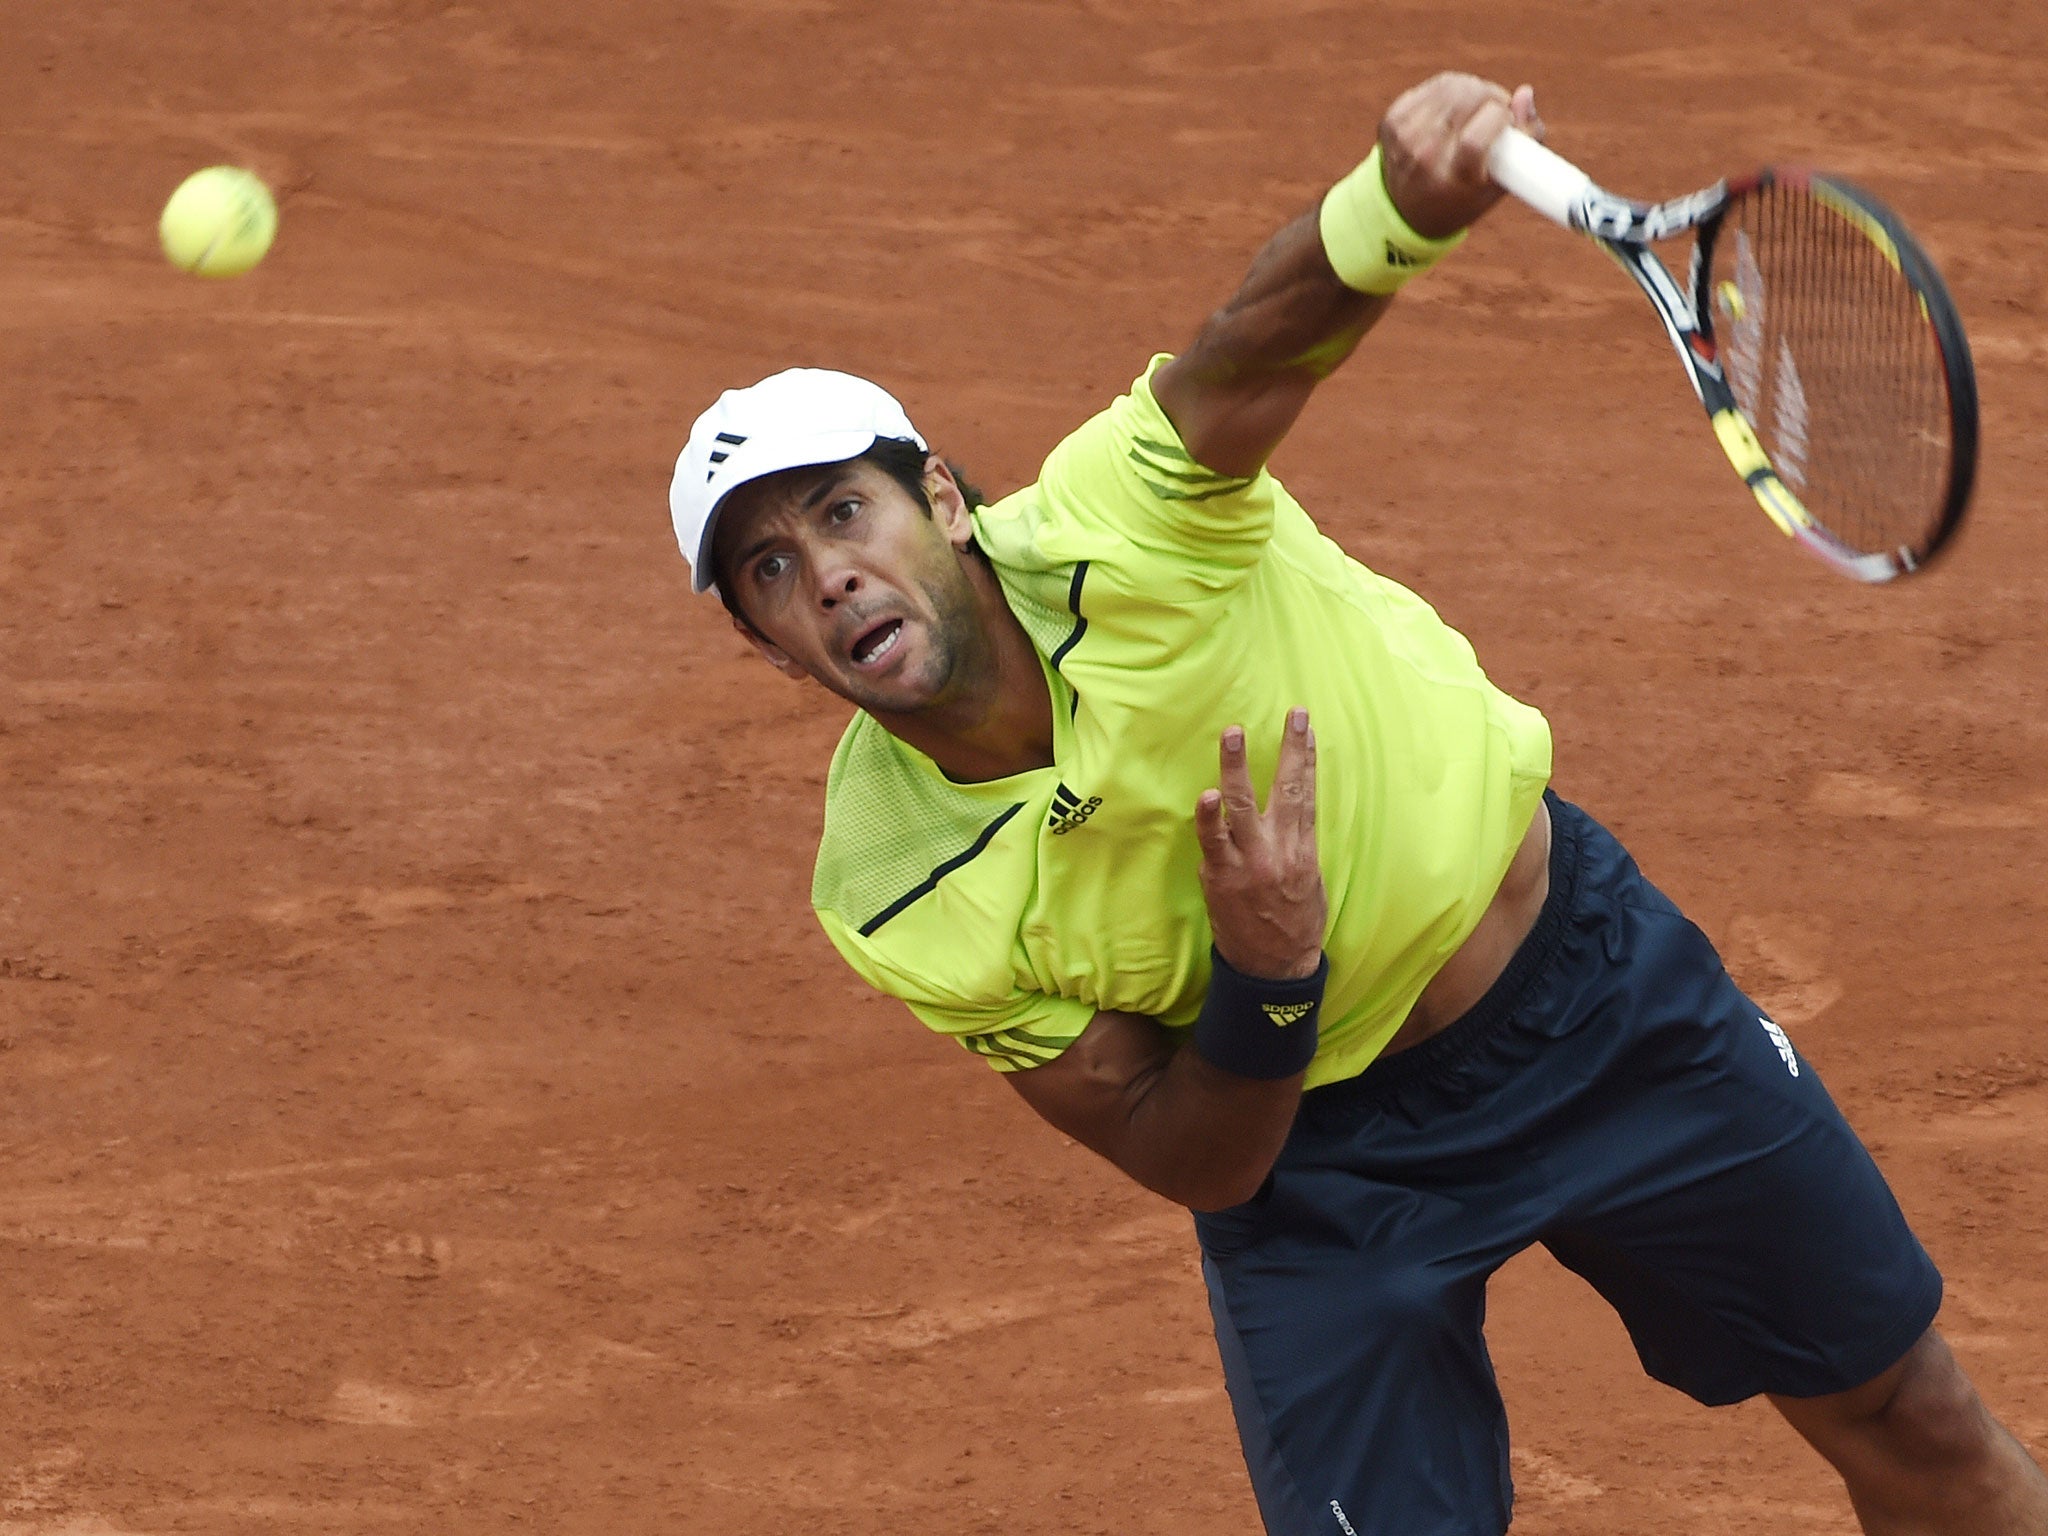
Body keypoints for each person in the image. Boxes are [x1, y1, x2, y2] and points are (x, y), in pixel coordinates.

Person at [666, 71, 2048, 1536]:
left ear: (940, 501)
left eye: (841, 513)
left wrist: (1394, 204)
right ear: (772, 653)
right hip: (1324, 1162)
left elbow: (1255, 345)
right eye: (767, 571)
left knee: (1911, 1418)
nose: (823, 575)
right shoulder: (889, 889)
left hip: (1593, 997)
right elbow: (1189, 1154)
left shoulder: (1123, 520)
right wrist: (1267, 976)